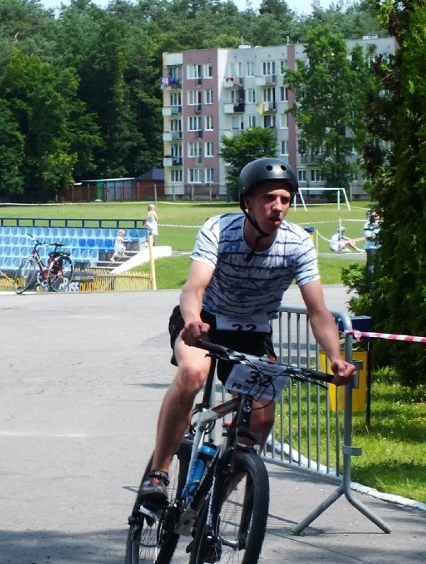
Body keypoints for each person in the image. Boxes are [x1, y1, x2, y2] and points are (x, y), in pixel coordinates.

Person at [138, 157, 357, 503]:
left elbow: (318, 312)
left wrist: (336, 357)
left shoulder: (297, 244)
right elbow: (193, 288)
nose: (278, 207)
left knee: (260, 418)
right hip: (203, 321)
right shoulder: (219, 230)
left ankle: (212, 504)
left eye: (284, 200)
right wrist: (194, 319)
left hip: (252, 333)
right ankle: (159, 473)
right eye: (269, 198)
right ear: (247, 202)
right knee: (194, 371)